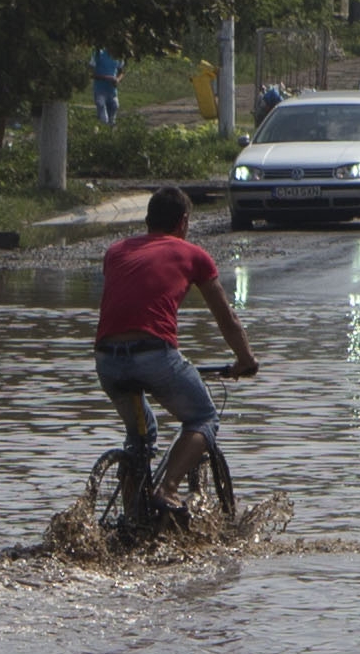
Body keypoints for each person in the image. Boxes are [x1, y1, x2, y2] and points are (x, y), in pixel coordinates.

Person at [95, 184, 259, 505]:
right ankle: (168, 488)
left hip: (107, 361)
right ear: (184, 221)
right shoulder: (193, 255)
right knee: (203, 418)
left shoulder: (115, 252)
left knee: (141, 437)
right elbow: (227, 318)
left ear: (147, 221)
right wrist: (245, 360)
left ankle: (133, 512)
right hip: (154, 356)